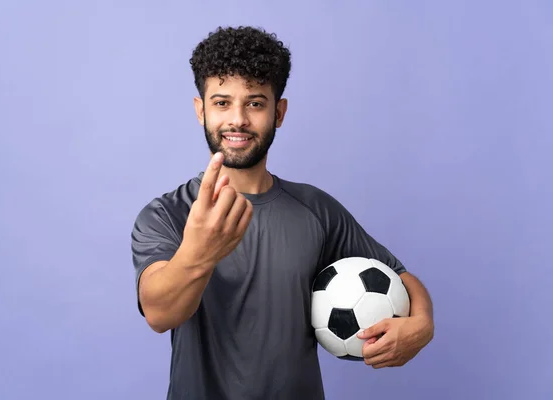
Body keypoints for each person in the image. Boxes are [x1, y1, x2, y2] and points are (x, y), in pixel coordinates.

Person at [131, 26, 434, 400]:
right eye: (222, 103)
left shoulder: (316, 210)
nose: (237, 119)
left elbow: (400, 277)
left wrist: (422, 324)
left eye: (255, 103)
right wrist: (199, 251)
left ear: (279, 112)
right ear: (201, 110)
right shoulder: (167, 214)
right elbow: (159, 314)